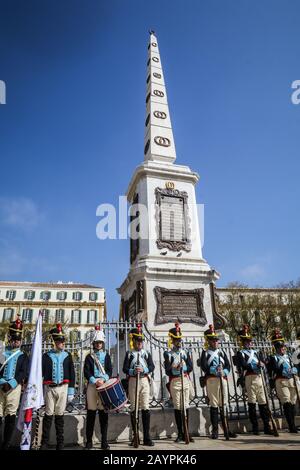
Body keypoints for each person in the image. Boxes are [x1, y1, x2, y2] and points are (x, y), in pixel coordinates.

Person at [40, 323, 75, 450]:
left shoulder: (68, 356)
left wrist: (71, 391)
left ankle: (60, 443)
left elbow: (72, 373)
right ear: (54, 342)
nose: (61, 343)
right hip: (49, 388)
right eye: (59, 341)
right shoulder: (46, 356)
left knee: (60, 416)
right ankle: (45, 442)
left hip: (63, 388)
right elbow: (41, 373)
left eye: (62, 341)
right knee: (48, 415)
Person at [199, 324, 237, 439]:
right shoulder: (205, 353)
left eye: (216, 340)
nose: (215, 342)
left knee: (224, 404)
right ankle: (215, 430)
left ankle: (227, 429)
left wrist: (224, 371)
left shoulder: (222, 352)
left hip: (222, 379)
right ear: (209, 342)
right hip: (211, 380)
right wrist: (214, 371)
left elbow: (228, 366)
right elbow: (204, 366)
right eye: (213, 340)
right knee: (214, 405)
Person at [236, 325, 273, 435]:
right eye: (246, 341)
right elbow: (242, 365)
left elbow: (262, 362)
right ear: (243, 342)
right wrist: (255, 365)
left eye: (249, 341)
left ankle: (267, 426)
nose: (248, 343)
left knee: (263, 402)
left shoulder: (257, 352)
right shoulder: (241, 353)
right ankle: (255, 427)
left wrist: (262, 363)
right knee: (252, 403)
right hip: (250, 377)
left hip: (259, 377)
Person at [123, 323, 154, 446]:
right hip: (133, 381)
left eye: (141, 340)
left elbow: (152, 366)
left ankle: (146, 437)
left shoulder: (146, 353)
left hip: (144, 380)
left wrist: (145, 370)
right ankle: (135, 436)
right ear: (133, 340)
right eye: (138, 340)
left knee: (145, 408)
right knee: (134, 408)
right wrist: (132, 371)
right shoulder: (129, 353)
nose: (140, 342)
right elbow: (124, 368)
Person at [0, 317, 28, 450]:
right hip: (0, 387)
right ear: (10, 339)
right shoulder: (2, 353)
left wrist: (10, 383)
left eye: (18, 340)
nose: (16, 342)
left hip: (14, 388)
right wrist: (2, 382)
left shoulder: (23, 355)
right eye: (14, 339)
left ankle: (6, 444)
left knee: (10, 416)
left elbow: (23, 372)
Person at [163, 322, 194, 443]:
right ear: (172, 340)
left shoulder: (185, 353)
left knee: (186, 406)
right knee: (178, 407)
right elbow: (167, 370)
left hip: (185, 379)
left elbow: (190, 367)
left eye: (179, 339)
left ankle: (187, 432)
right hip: (175, 381)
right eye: (176, 340)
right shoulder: (168, 354)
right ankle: (180, 432)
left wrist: (184, 368)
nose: (178, 342)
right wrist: (175, 368)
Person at [84, 325, 112, 450]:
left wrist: (103, 379)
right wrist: (94, 381)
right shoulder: (89, 357)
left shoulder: (106, 356)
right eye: (97, 343)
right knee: (91, 414)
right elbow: (87, 372)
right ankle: (89, 441)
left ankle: (104, 441)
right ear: (94, 343)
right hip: (92, 386)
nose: (99, 345)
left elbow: (109, 370)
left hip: (103, 385)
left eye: (100, 343)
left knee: (103, 414)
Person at [267, 329, 299, 433]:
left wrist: (295, 369)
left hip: (292, 381)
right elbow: (274, 369)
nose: (282, 349)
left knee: (293, 403)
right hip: (281, 381)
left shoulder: (289, 356)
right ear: (276, 348)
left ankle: (293, 424)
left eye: (283, 347)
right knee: (287, 403)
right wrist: (284, 371)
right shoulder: (273, 358)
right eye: (280, 347)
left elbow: (295, 365)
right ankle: (291, 426)